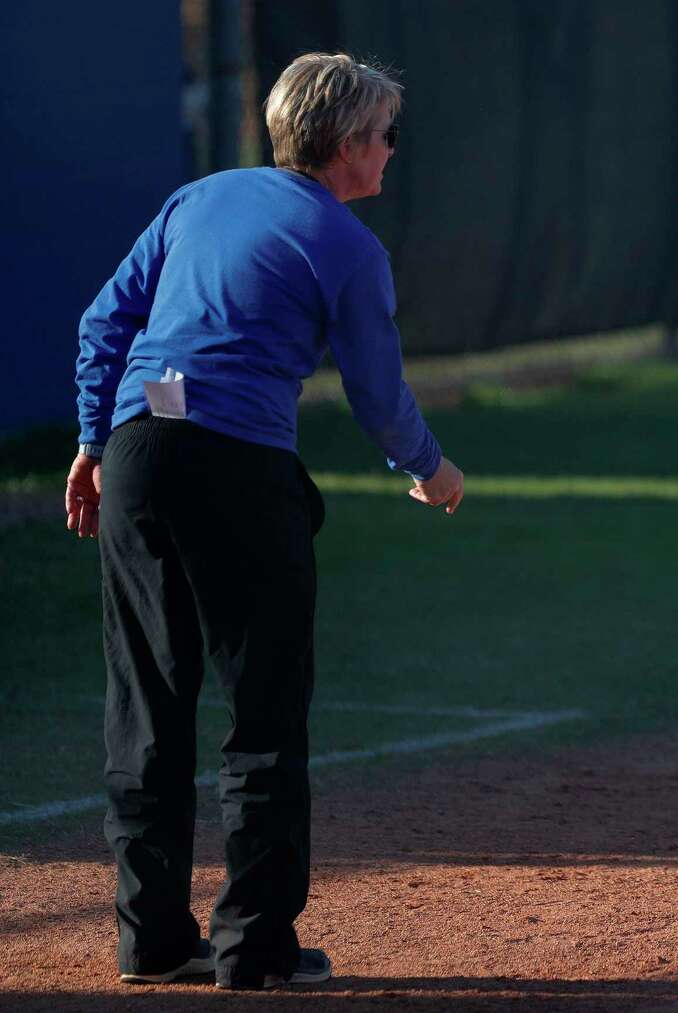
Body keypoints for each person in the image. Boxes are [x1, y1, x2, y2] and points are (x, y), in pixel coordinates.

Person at [66, 52, 464, 988]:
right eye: (385, 136)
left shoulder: (197, 197)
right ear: (345, 145)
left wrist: (94, 438)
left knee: (146, 702)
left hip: (136, 456)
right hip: (237, 469)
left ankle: (152, 938)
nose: (393, 152)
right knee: (264, 707)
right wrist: (433, 471)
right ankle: (253, 944)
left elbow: (103, 324)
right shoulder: (349, 246)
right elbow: (377, 393)